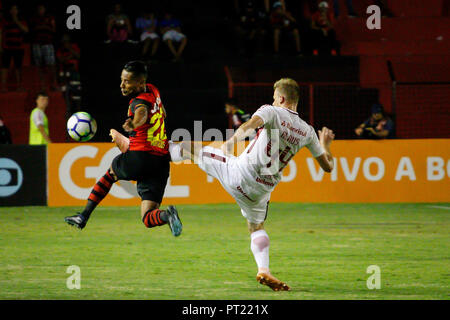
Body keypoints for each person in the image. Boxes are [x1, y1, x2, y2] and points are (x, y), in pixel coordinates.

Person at [170, 78, 335, 291]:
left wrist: (230, 143)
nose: (273, 100)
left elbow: (249, 125)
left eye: (275, 97)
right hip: (260, 191)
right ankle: (264, 270)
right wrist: (325, 146)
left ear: (281, 98)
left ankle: (143, 153)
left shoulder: (271, 111)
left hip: (238, 173)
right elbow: (328, 167)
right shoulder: (308, 132)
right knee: (255, 227)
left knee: (186, 147)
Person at [64, 61, 182, 237]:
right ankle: (168, 215)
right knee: (148, 217)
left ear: (140, 83)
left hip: (140, 157)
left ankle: (84, 216)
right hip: (161, 162)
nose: (122, 85)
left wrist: (134, 124)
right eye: (122, 80)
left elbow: (141, 113)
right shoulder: (153, 90)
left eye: (127, 81)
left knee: (110, 174)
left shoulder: (138, 102)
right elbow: (162, 113)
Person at [0, 4, 28, 92]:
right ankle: (3, 87)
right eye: (12, 9)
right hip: (7, 47)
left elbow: (26, 30)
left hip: (19, 48)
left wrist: (16, 21)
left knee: (18, 67)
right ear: (9, 11)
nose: (14, 11)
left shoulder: (22, 21)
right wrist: (0, 46)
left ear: (18, 11)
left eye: (15, 9)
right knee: (4, 67)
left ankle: (19, 86)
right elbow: (1, 33)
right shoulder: (5, 21)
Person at [30, 4, 58, 91]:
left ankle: (53, 84)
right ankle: (42, 85)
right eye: (39, 9)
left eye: (42, 8)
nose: (40, 10)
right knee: (39, 66)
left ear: (45, 9)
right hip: (37, 44)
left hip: (47, 44)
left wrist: (45, 27)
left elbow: (54, 30)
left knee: (51, 65)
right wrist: (42, 27)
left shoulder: (50, 18)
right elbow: (31, 30)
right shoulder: (34, 18)